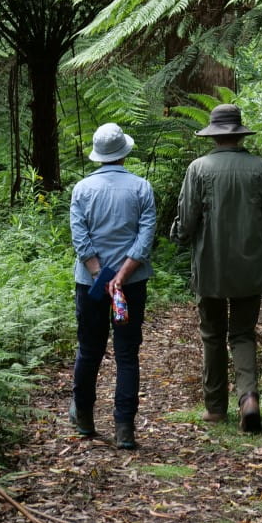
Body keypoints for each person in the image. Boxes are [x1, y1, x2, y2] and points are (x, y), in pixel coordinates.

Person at [170, 104, 262, 433]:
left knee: (212, 335)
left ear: (214, 135)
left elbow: (187, 220)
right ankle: (248, 398)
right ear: (238, 134)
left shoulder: (198, 168)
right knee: (243, 334)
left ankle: (216, 407)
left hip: (210, 266)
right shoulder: (260, 167)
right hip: (251, 264)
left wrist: (178, 234)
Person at [69, 121, 156, 450]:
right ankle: (124, 429)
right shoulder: (141, 188)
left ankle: (85, 419)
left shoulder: (82, 190)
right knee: (127, 354)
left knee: (89, 350)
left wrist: (100, 273)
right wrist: (121, 276)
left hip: (90, 285)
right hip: (131, 285)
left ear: (98, 155)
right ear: (124, 153)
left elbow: (81, 239)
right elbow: (145, 238)